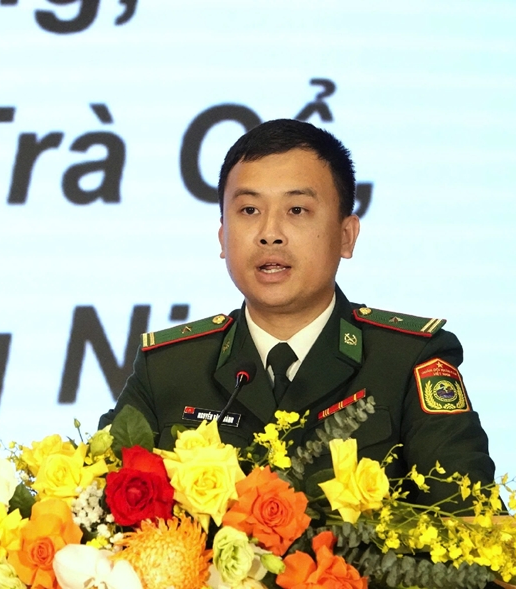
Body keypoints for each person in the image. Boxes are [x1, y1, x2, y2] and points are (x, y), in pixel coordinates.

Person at [99, 119, 495, 506]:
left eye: (297, 210)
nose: (270, 233)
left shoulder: (408, 361)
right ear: (222, 237)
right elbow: (97, 511)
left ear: (346, 236)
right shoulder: (168, 369)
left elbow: (470, 521)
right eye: (249, 210)